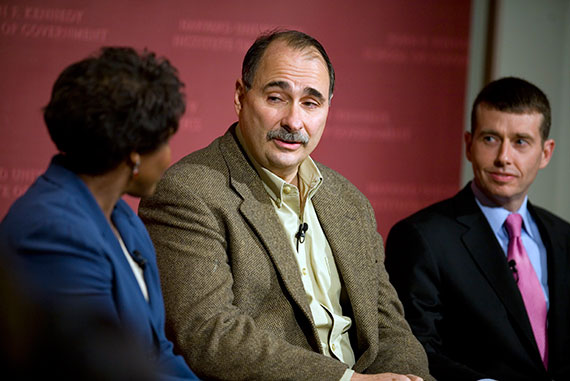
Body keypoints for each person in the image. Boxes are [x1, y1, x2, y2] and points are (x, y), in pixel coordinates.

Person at [139, 29, 432, 381]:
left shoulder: (350, 201)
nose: (294, 121)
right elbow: (209, 334)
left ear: (327, 109)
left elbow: (389, 327)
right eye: (277, 97)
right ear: (240, 96)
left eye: (311, 103)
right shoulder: (189, 192)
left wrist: (411, 378)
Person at [0, 47, 199, 380]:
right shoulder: (53, 232)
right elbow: (101, 368)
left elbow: (157, 352)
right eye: (165, 140)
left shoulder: (124, 218)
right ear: (133, 154)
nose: (169, 156)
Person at [385, 77, 570, 381]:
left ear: (546, 153)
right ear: (469, 145)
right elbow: (413, 350)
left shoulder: (564, 238)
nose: (503, 158)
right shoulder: (422, 238)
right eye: (490, 139)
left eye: (520, 142)